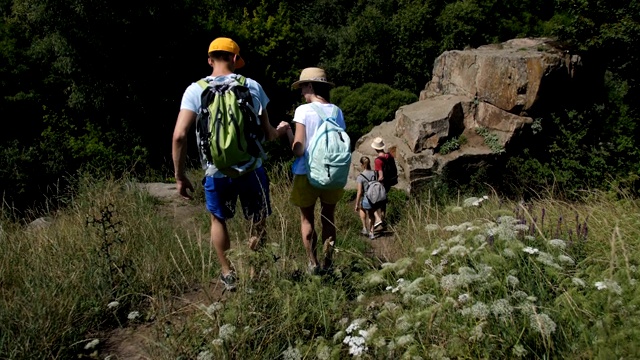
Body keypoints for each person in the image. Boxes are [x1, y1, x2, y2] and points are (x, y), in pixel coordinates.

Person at [172, 37, 290, 291]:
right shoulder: (253, 87)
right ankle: (254, 274)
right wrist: (283, 131)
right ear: (235, 59)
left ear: (209, 59)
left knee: (218, 220)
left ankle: (228, 273)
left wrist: (179, 176)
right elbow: (268, 134)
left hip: (216, 172)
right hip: (252, 169)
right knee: (256, 221)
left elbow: (179, 136)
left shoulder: (195, 90)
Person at [285, 67, 346, 275]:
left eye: (303, 87)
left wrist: (288, 133)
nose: (302, 92)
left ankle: (313, 264)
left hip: (306, 172)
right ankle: (329, 264)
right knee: (328, 218)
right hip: (332, 172)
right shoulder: (337, 111)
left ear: (310, 85)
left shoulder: (303, 110)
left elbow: (299, 149)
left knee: (307, 220)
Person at [371, 137, 395, 231]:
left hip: (382, 184)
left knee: (372, 202)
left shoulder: (378, 160)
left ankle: (378, 221)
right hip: (389, 182)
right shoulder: (389, 156)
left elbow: (380, 176)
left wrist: (374, 183)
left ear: (375, 148)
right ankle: (383, 219)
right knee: (383, 202)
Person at [355, 156, 382, 240]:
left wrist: (357, 203)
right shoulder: (374, 173)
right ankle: (372, 233)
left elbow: (359, 192)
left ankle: (364, 228)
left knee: (361, 208)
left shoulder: (360, 177)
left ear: (362, 165)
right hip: (374, 197)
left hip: (366, 198)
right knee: (371, 214)